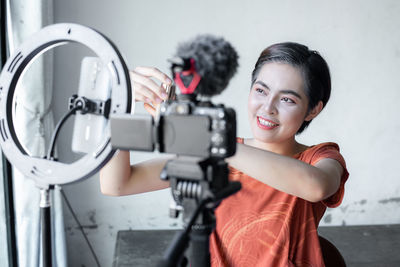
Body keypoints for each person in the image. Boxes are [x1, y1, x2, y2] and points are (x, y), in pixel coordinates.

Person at [100, 42, 349, 267]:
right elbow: (118, 184)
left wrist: (209, 139)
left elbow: (316, 187)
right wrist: (119, 105)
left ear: (313, 109)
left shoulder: (321, 157)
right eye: (261, 91)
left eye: (287, 99)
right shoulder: (217, 152)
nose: (268, 108)